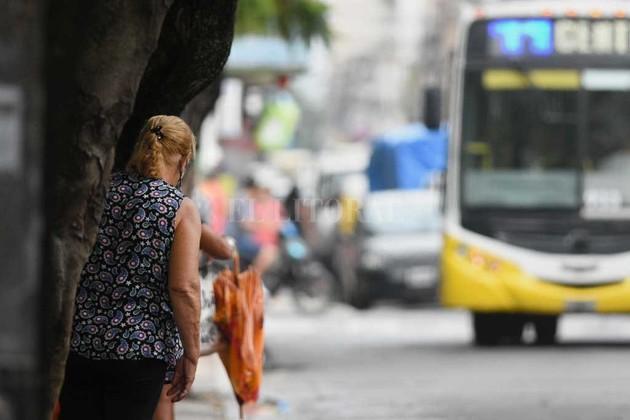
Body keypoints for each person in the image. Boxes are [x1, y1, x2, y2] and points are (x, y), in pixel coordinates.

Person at [59, 115, 201, 420]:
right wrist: (191, 353)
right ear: (183, 160)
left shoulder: (101, 191)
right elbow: (184, 287)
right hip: (139, 351)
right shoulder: (179, 208)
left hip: (81, 343)